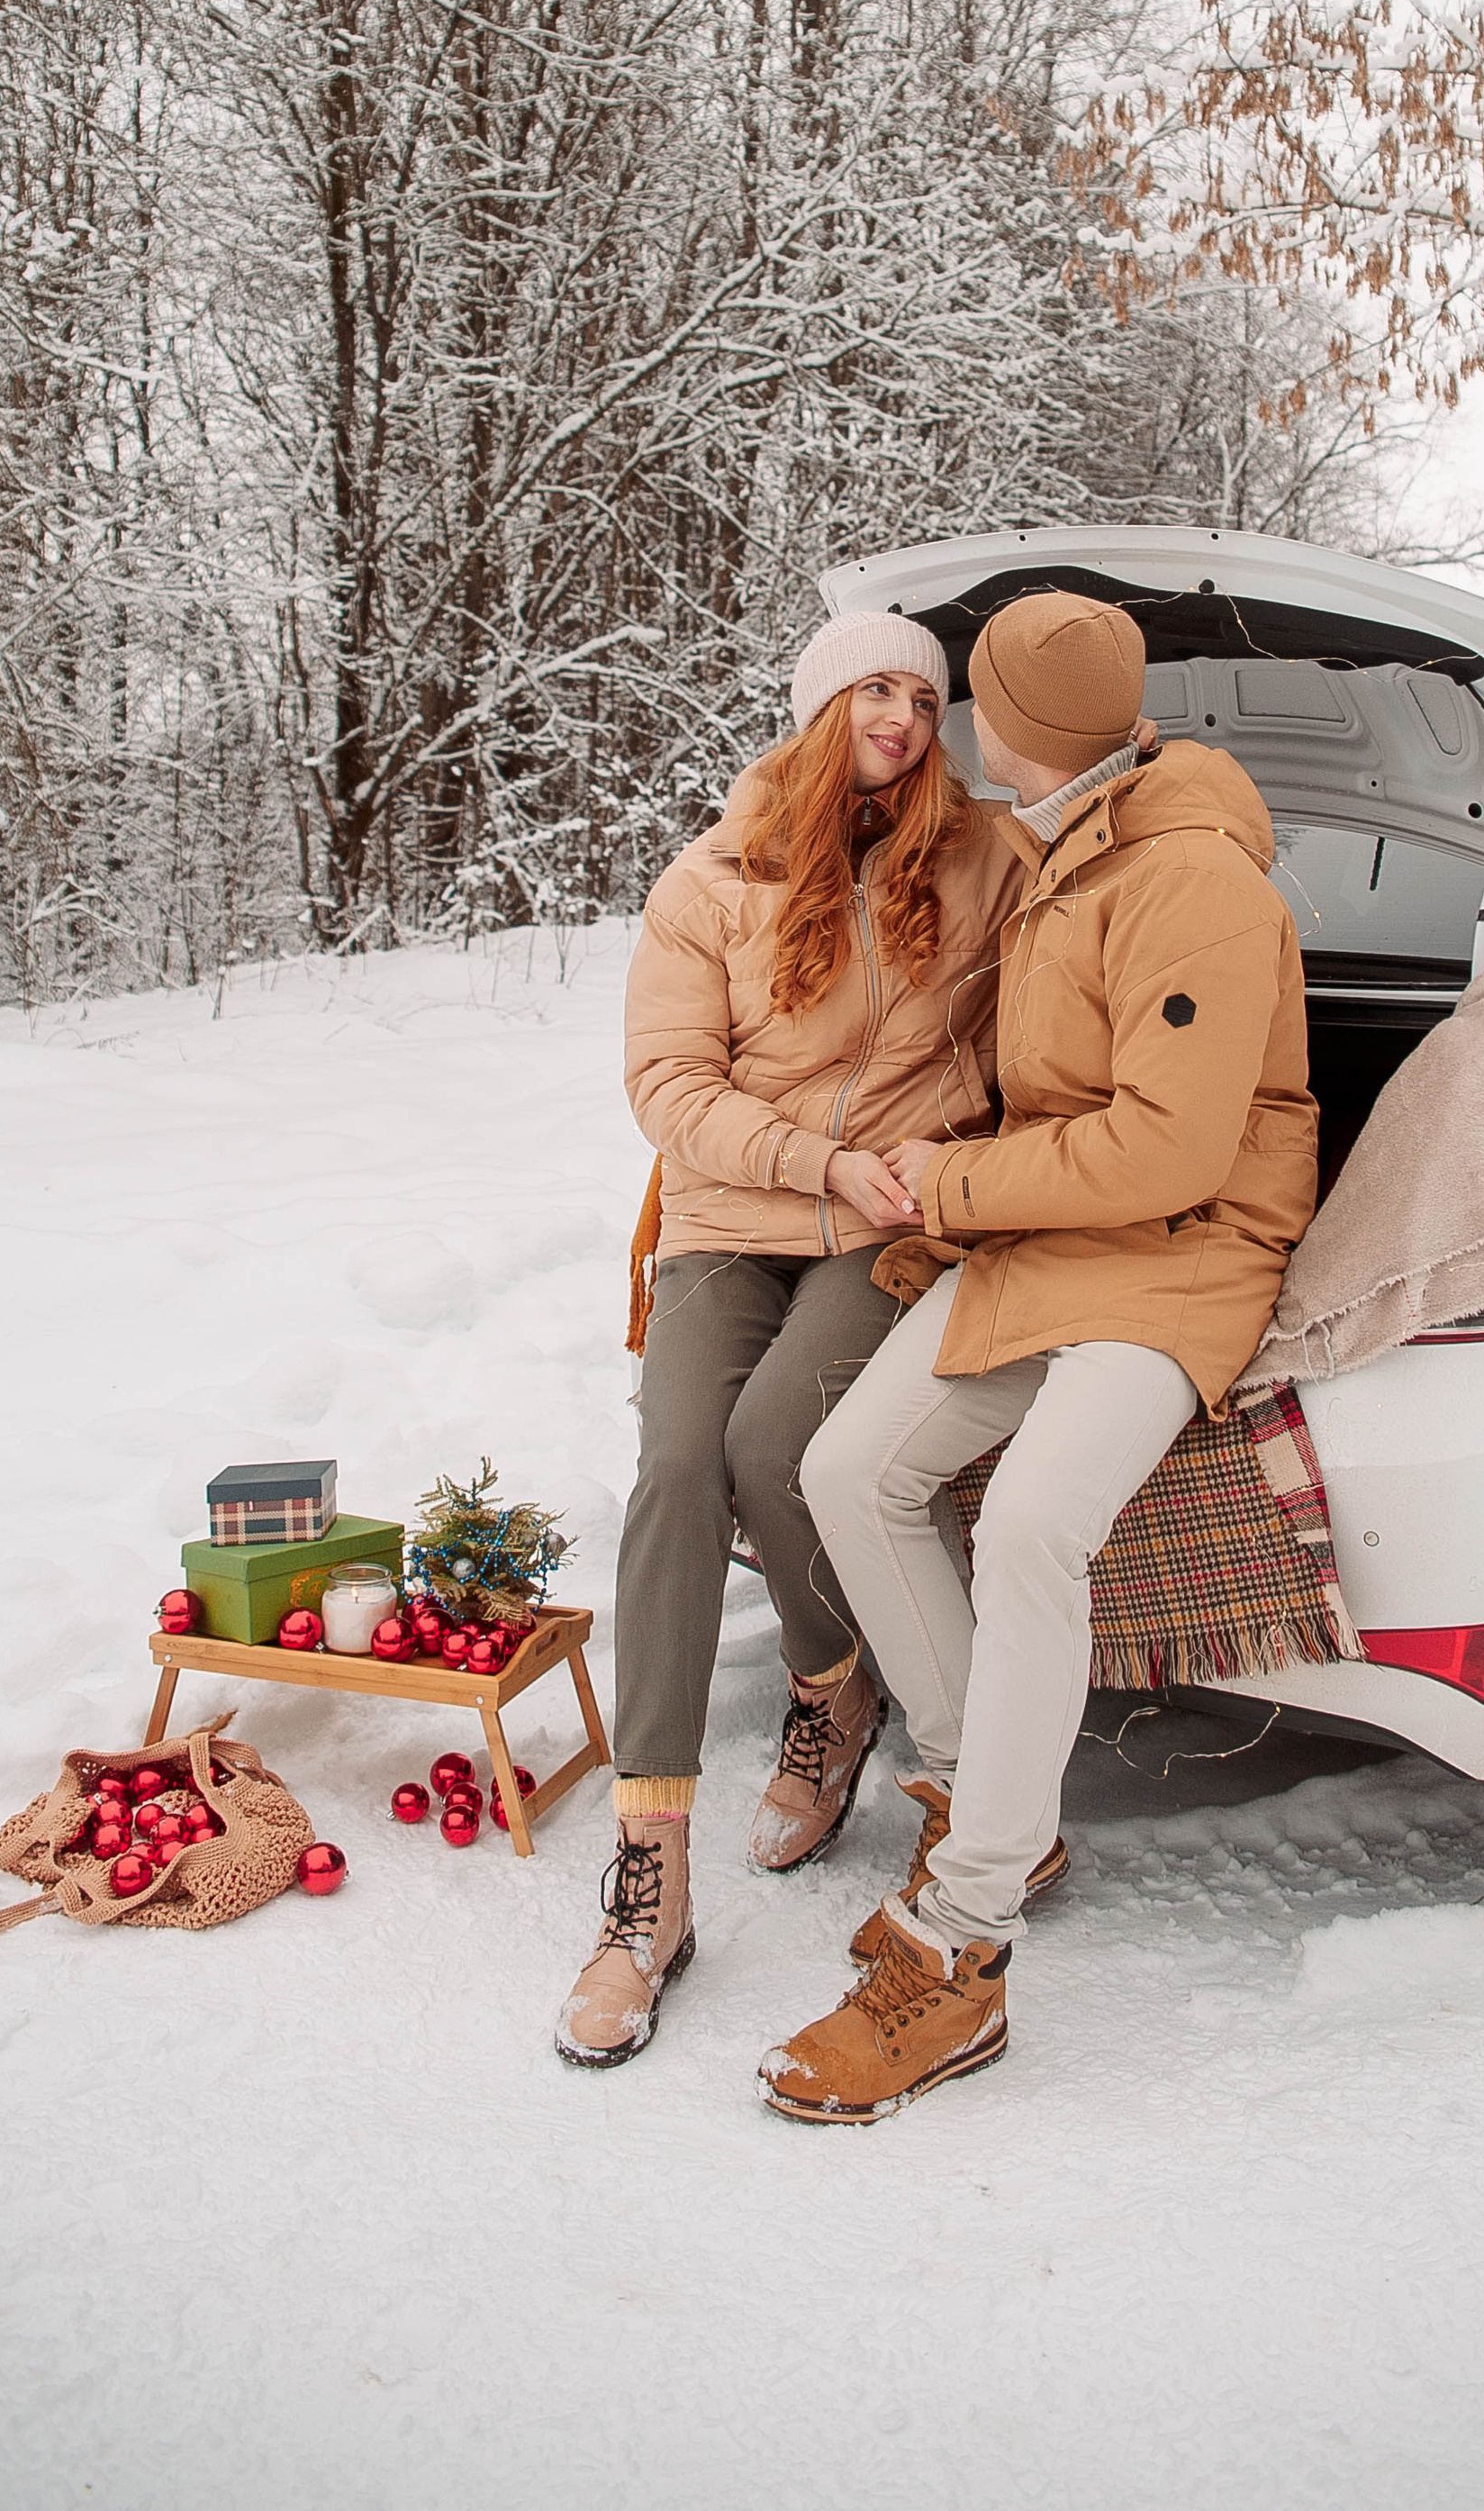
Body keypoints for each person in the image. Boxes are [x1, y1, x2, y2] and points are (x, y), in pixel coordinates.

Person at [758, 586, 1317, 2124]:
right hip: (1057, 1236)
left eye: (970, 701)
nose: (954, 723)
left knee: (1031, 1525)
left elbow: (1166, 1151)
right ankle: (973, 1776)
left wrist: (950, 1186)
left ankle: (965, 1940)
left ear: (1021, 724)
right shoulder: (1075, 834)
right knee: (848, 1469)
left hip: (1185, 1254)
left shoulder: (1188, 876)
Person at [556, 611, 1024, 2069]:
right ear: (819, 711)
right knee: (679, 1469)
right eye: (873, 688)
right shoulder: (712, 878)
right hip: (732, 1213)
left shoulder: (982, 857)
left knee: (783, 1451)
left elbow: (1099, 876)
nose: (901, 712)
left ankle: (832, 1686)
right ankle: (651, 1878)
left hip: (887, 1223)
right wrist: (810, 1161)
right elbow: (666, 1082)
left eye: (923, 694)